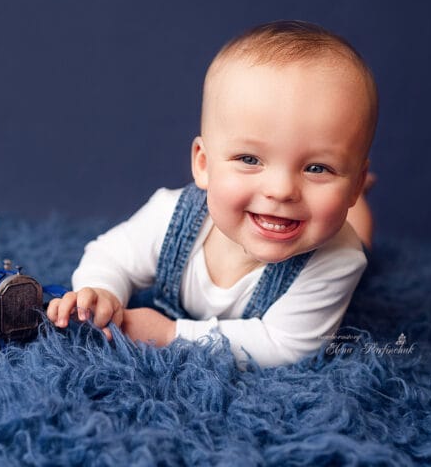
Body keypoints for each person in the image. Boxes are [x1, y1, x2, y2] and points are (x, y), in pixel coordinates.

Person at [47, 20, 378, 367]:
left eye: (317, 168)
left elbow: (285, 346)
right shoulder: (171, 215)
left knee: (357, 235)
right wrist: (102, 291)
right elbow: (109, 256)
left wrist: (171, 334)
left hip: (338, 239)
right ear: (203, 164)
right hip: (306, 216)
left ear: (352, 184)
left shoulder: (337, 259)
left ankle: (360, 203)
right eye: (250, 159)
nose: (281, 190)